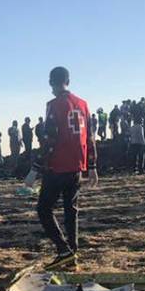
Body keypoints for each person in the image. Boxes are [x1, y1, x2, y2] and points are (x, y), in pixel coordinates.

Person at [32, 66, 96, 271]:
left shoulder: (54, 105)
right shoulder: (83, 104)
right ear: (68, 80)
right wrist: (92, 165)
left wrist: (36, 168)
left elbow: (50, 139)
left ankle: (63, 250)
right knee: (71, 209)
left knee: (44, 209)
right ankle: (72, 253)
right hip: (77, 164)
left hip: (58, 165)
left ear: (51, 82)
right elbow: (90, 137)